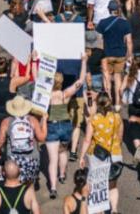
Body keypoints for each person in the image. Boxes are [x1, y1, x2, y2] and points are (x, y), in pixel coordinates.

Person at [45, 57, 86, 199]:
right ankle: (62, 175)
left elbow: (35, 78)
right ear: (61, 81)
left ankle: (53, 187)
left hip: (52, 126)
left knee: (52, 159)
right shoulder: (65, 94)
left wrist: (34, 61)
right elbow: (80, 81)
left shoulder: (47, 96)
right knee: (63, 152)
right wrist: (84, 62)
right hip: (66, 125)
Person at [79, 91, 124, 214]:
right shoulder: (117, 117)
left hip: (97, 156)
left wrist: (82, 157)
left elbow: (87, 140)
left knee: (99, 185)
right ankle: (114, 209)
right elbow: (120, 135)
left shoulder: (94, 120)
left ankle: (101, 211)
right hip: (115, 154)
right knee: (113, 184)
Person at [0, 95, 47, 185]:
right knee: (29, 185)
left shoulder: (6, 122)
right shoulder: (33, 120)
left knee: (14, 183)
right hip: (31, 158)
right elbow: (41, 138)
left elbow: (0, 141)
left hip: (14, 158)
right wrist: (44, 121)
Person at [96, 0, 131, 108]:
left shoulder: (102, 23)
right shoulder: (125, 23)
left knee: (106, 78)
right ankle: (117, 104)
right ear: (118, 10)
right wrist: (129, 56)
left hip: (106, 54)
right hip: (120, 54)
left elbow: (99, 40)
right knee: (117, 79)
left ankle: (108, 101)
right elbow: (129, 42)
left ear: (108, 10)